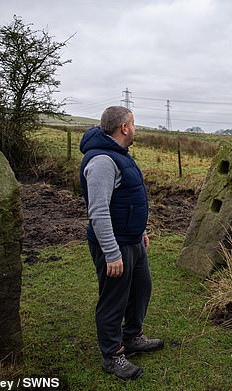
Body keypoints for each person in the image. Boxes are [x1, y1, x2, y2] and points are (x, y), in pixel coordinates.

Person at [79, 106, 163, 381]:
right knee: (114, 300)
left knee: (141, 290)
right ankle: (113, 355)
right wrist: (112, 253)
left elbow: (128, 199)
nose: (136, 128)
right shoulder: (102, 161)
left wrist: (140, 231)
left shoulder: (120, 156)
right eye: (134, 123)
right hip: (114, 245)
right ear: (124, 128)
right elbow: (99, 211)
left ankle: (132, 337)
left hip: (132, 241)